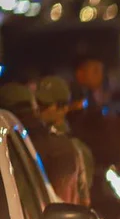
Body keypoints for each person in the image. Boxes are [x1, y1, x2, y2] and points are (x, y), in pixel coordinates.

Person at [37, 76, 95, 205]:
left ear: (63, 108)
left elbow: (83, 199)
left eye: (46, 105)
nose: (40, 110)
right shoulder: (33, 138)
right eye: (38, 104)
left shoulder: (75, 147)